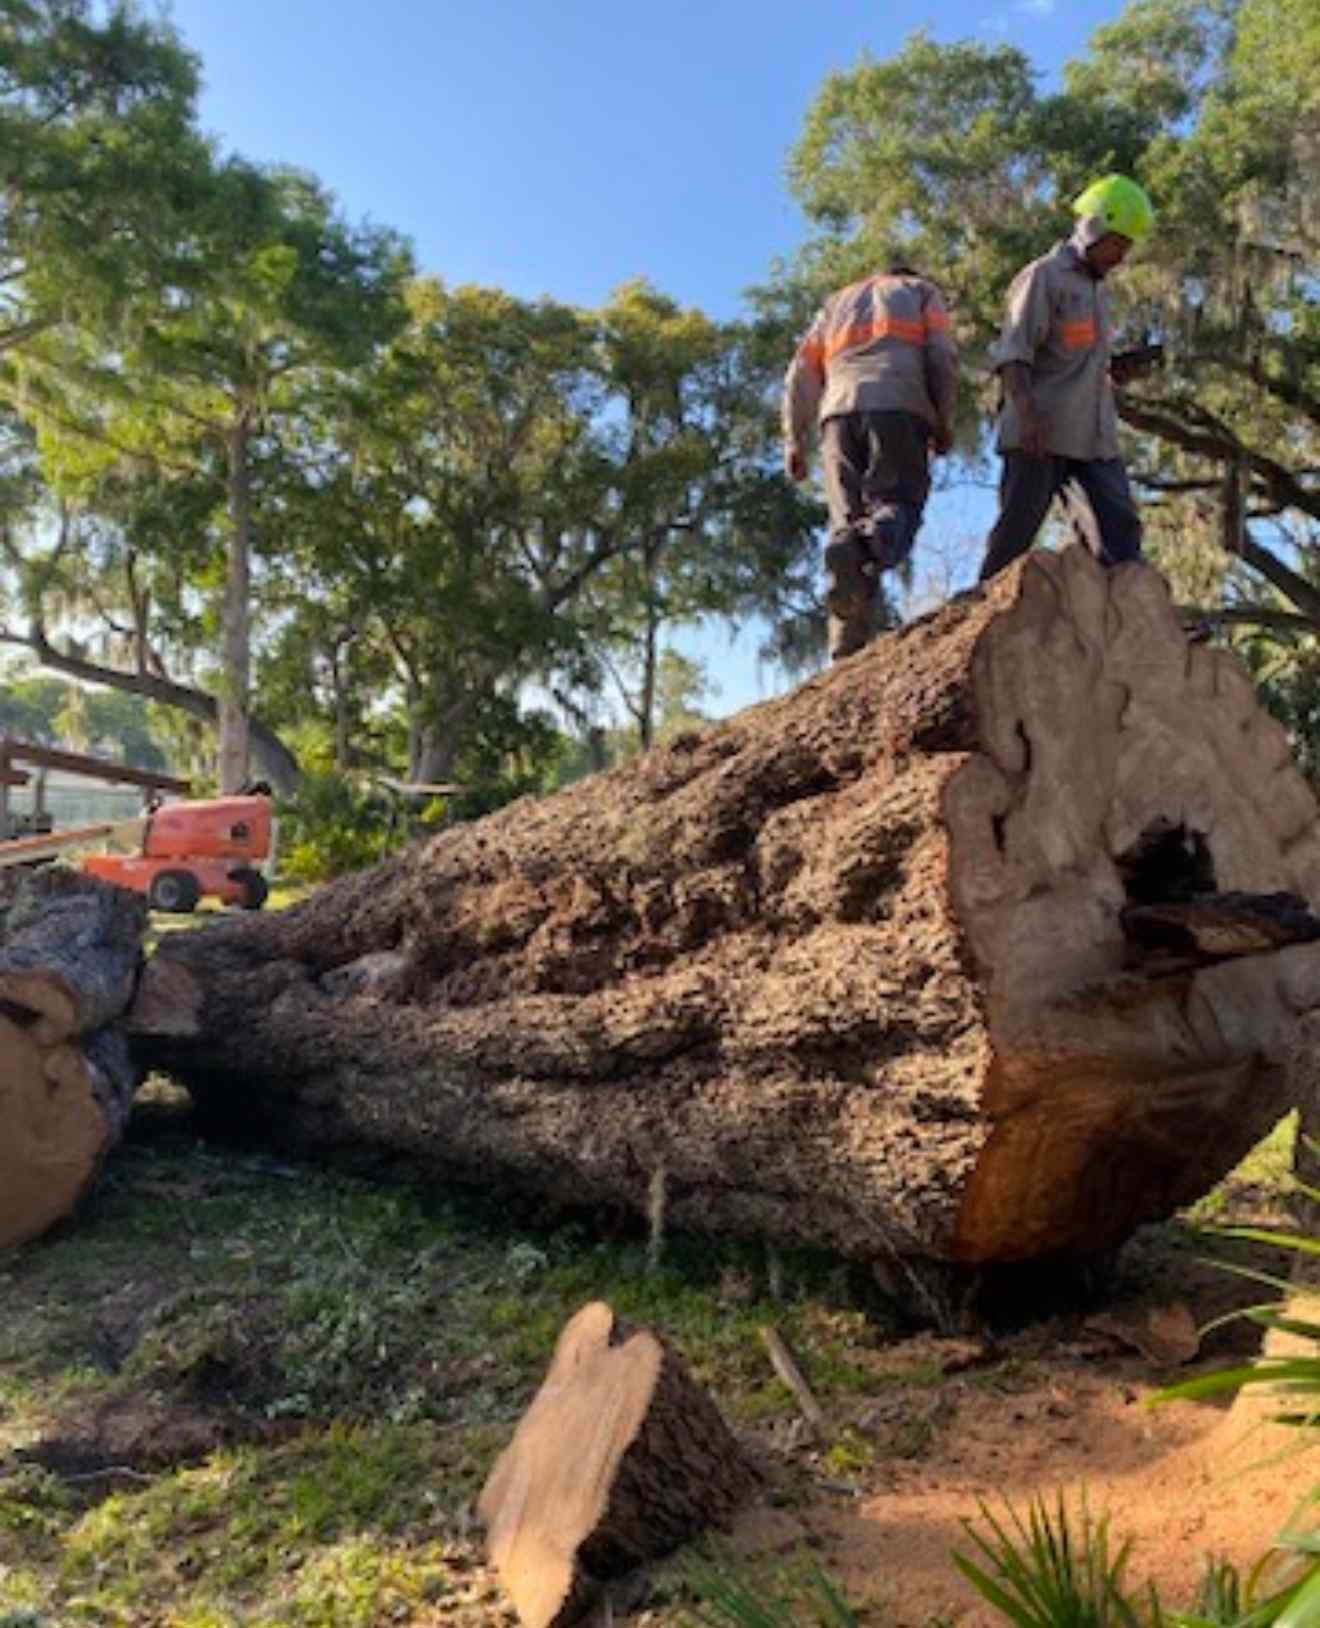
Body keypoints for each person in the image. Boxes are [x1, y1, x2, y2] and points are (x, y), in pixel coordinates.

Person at [978, 174, 1155, 583]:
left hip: (1092, 437)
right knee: (1014, 538)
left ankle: (1136, 628)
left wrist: (1118, 369)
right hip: (1042, 430)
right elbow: (1014, 353)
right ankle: (975, 626)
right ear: (1095, 228)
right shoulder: (1044, 276)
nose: (1122, 256)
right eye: (1118, 243)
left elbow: (1075, 359)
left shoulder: (1098, 292)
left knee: (1120, 532)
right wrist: (1026, 417)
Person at [782, 265, 958, 660]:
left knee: (845, 524)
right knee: (896, 507)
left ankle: (847, 649)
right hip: (899, 403)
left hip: (837, 416)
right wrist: (945, 419)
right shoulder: (919, 290)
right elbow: (941, 356)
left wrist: (794, 437)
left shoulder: (836, 303)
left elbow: (802, 373)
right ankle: (860, 549)